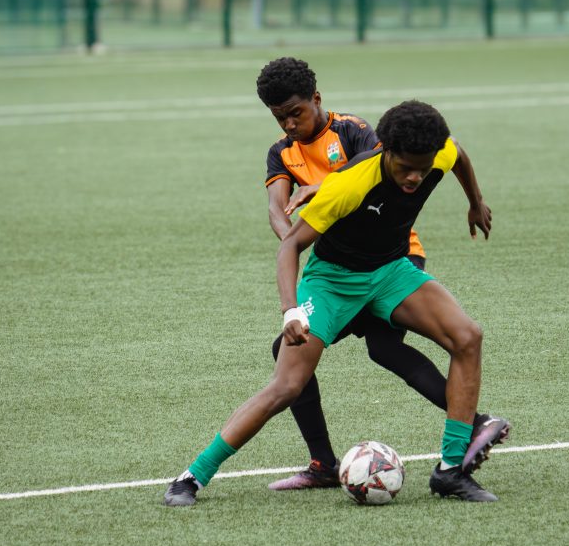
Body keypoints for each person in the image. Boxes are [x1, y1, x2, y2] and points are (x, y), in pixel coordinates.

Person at [164, 99, 509, 505]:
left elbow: (459, 156)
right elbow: (290, 245)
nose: (415, 177)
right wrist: (291, 310)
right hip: (332, 282)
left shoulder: (437, 152)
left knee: (467, 337)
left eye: (423, 166)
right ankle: (193, 476)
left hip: (390, 272)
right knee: (287, 385)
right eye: (405, 168)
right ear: (386, 151)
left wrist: (475, 200)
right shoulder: (350, 184)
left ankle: (451, 470)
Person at [255, 56, 508, 490]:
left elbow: (377, 165)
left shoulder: (352, 130)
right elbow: (280, 216)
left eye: (295, 113)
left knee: (382, 346)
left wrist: (475, 199)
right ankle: (323, 464)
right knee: (304, 349)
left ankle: (469, 426)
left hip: (394, 256)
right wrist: (297, 233)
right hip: (340, 262)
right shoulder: (281, 153)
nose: (290, 125)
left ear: (316, 99)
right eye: (280, 118)